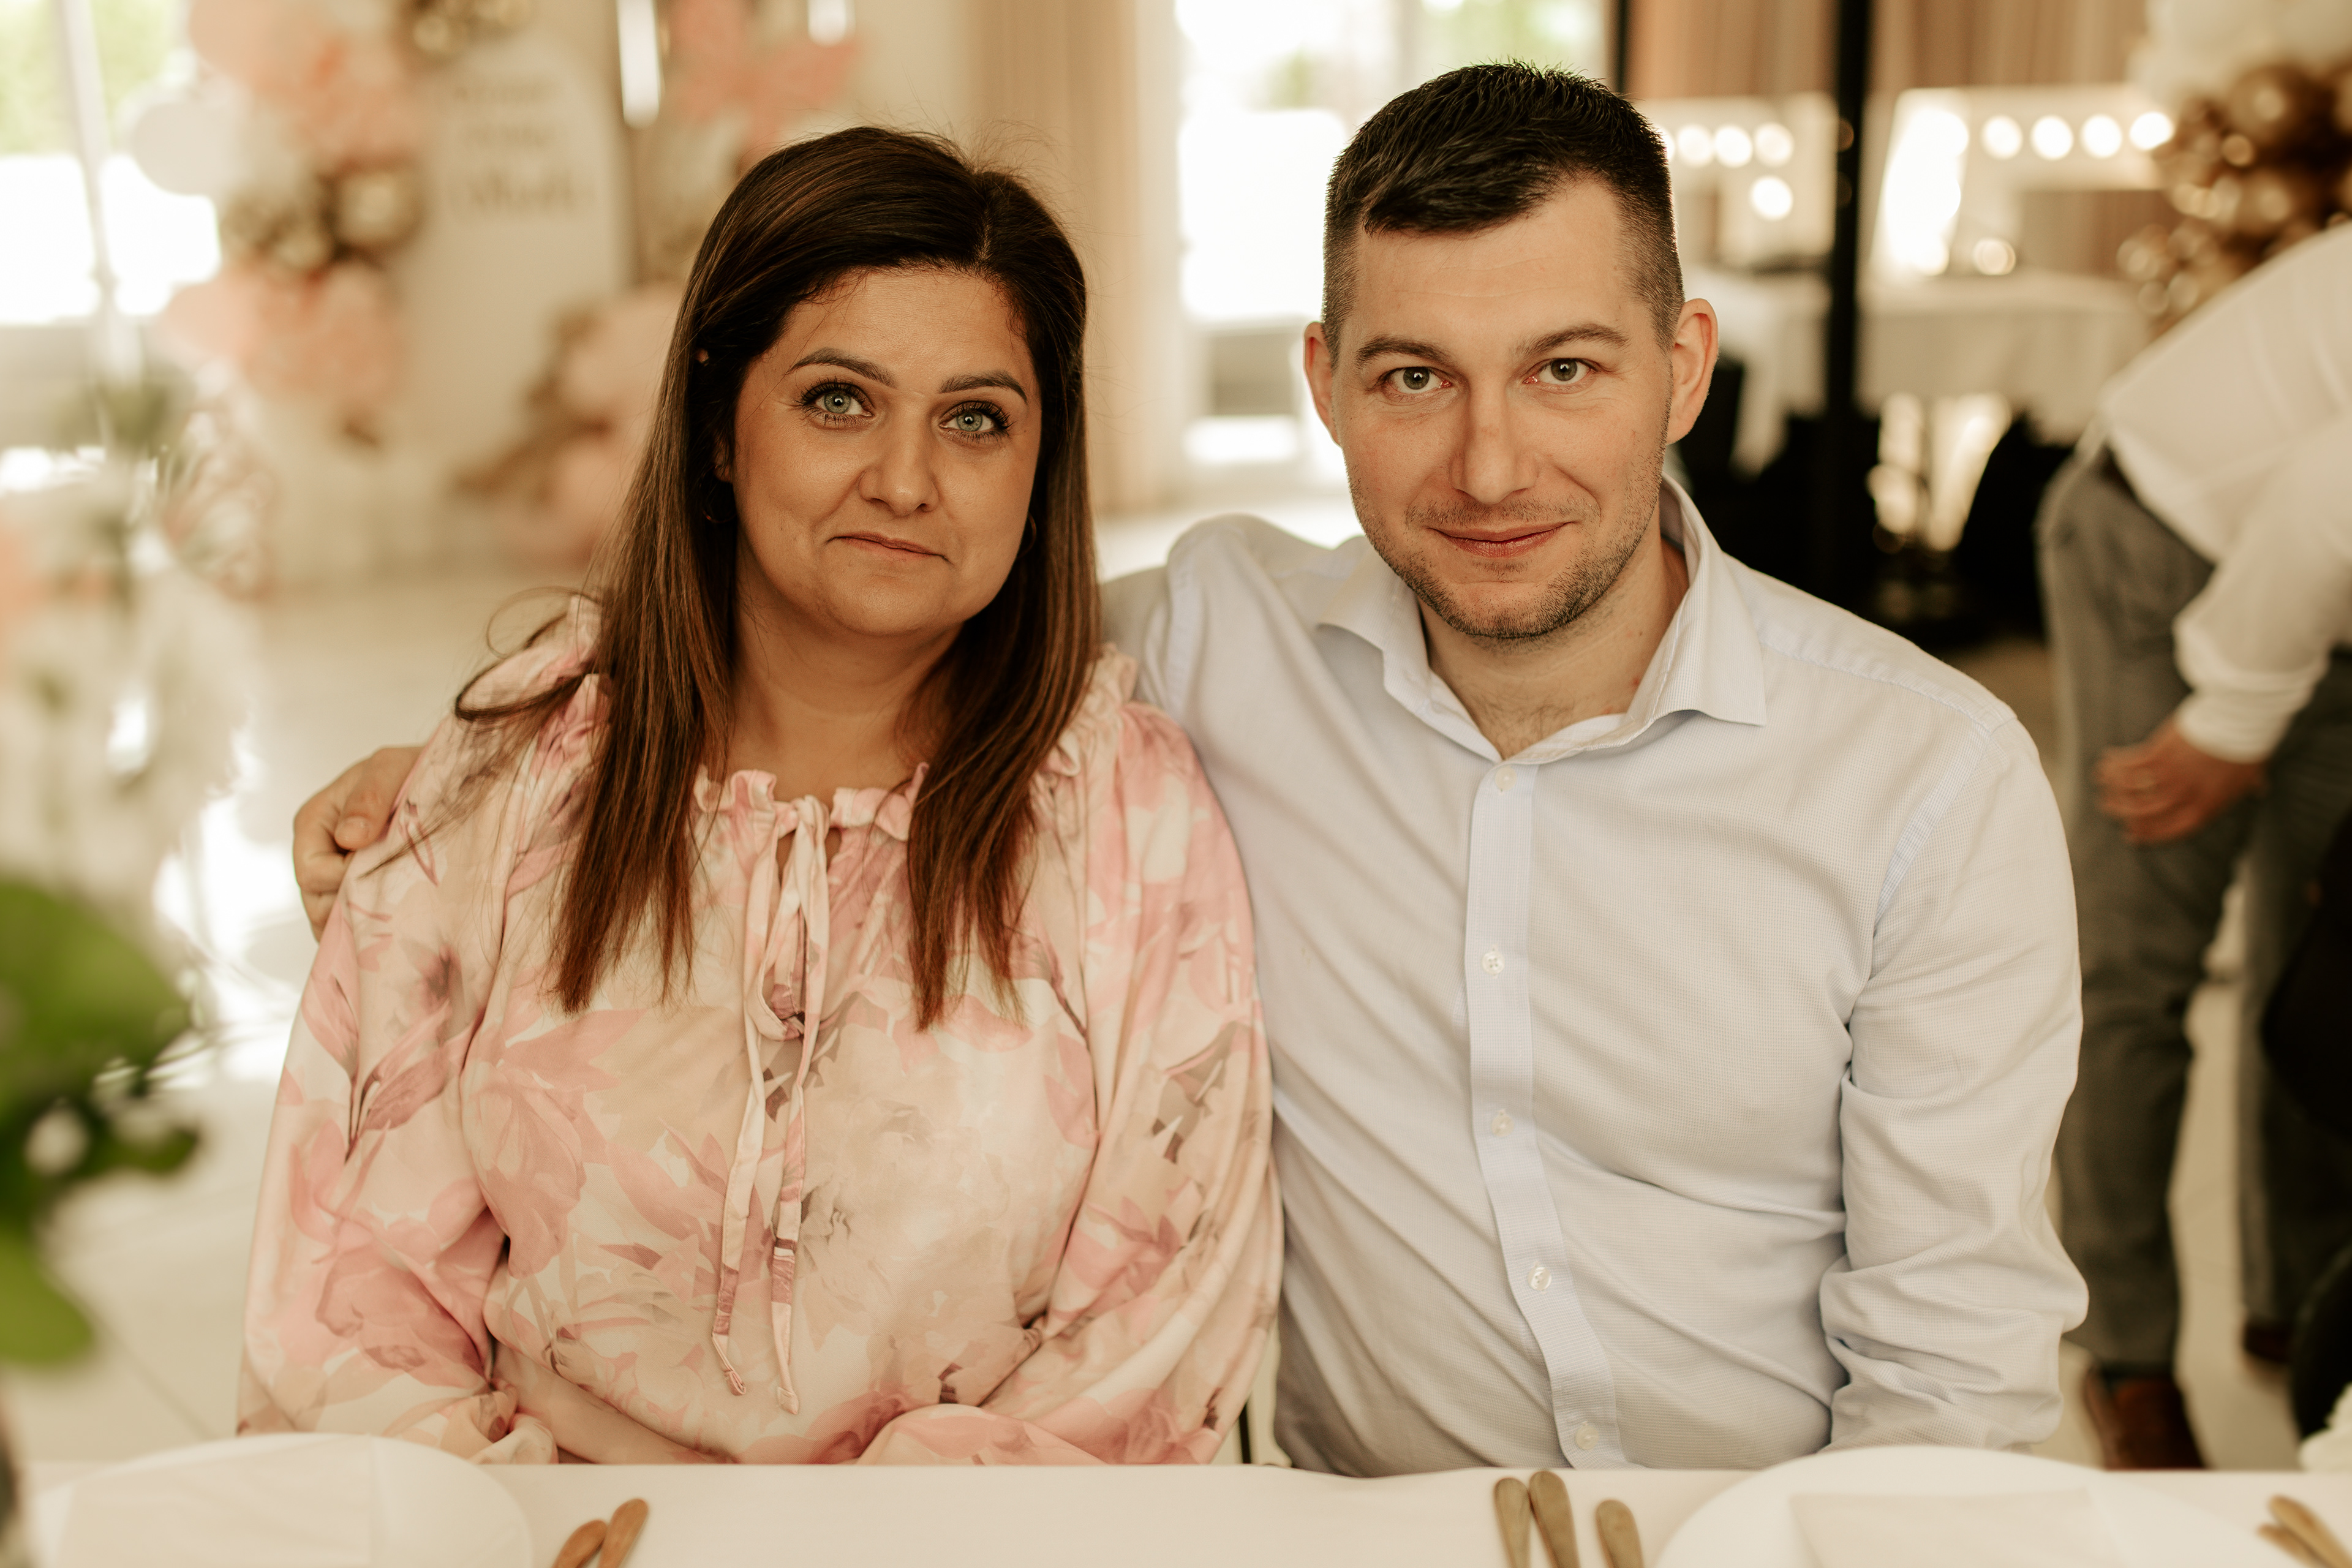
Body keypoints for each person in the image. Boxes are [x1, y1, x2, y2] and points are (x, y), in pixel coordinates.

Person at [297, 67, 2084, 1473]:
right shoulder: (1224, 642)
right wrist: (480, 762)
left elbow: (1955, 1368)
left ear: (1684, 370)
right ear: (1324, 382)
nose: (1490, 464)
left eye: (1565, 369)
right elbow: (883, 606)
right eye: (1413, 376)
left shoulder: (1925, 783)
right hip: (1374, 1536)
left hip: (1771, 1530)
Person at [244, 128, 1280, 1466]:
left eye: (976, 419)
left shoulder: (1127, 810)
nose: (904, 479)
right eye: (839, 400)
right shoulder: (521, 771)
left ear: (1041, 465)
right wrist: (495, 1519)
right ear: (718, 429)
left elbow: (1157, 1315)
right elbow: (353, 1276)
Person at [2037, 219, 2352, 1470]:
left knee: (2328, 952)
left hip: (2327, 582)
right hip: (2167, 530)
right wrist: (2232, 717)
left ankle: (2304, 1310)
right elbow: (2328, 498)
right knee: (2139, 964)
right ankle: (2127, 1354)